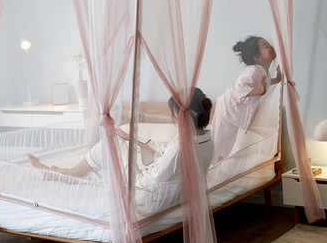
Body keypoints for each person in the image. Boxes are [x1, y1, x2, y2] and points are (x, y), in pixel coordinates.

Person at [28, 88, 213, 185]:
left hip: (142, 189)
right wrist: (131, 138)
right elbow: (163, 147)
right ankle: (62, 174)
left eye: (173, 115)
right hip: (159, 180)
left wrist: (125, 177)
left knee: (112, 143)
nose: (172, 119)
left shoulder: (178, 151)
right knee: (104, 167)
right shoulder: (205, 140)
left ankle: (70, 173)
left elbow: (148, 183)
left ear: (182, 116)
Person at [210, 36, 282, 164]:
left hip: (234, 114)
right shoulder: (253, 71)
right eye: (266, 46)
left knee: (227, 146)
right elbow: (240, 87)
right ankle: (208, 169)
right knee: (217, 143)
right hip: (227, 108)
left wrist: (277, 79)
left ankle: (217, 167)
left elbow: (265, 82)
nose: (271, 46)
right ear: (257, 57)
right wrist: (260, 92)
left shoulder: (263, 72)